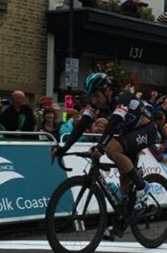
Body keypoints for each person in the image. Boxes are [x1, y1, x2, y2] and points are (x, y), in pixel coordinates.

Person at [53, 72, 157, 240]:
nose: (93, 100)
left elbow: (114, 122)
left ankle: (143, 187)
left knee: (111, 149)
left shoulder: (123, 97)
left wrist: (101, 146)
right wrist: (64, 148)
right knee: (124, 182)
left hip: (145, 130)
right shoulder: (96, 104)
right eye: (91, 96)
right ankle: (120, 226)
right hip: (128, 134)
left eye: (96, 95)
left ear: (107, 90)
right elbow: (81, 125)